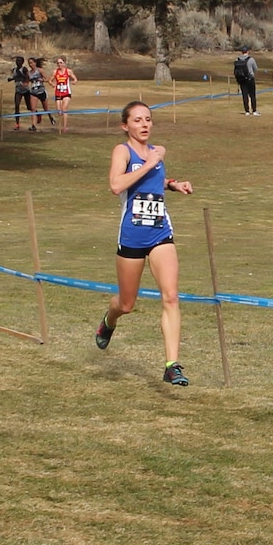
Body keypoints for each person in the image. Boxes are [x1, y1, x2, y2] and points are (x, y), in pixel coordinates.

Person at [95, 101, 194, 386]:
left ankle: (172, 365)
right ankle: (109, 320)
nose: (145, 125)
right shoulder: (122, 151)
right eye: (137, 120)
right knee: (127, 304)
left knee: (171, 296)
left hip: (160, 233)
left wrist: (173, 183)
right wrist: (150, 163)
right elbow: (116, 185)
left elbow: (154, 180)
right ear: (125, 126)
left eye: (148, 119)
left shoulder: (155, 153)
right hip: (132, 236)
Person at [48, 56, 78, 132]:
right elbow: (50, 80)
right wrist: (52, 84)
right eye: (58, 63)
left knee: (64, 109)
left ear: (64, 63)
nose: (59, 64)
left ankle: (64, 127)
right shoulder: (55, 72)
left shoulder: (68, 71)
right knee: (59, 111)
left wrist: (74, 82)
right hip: (58, 93)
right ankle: (61, 125)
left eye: (61, 63)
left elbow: (75, 79)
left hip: (66, 93)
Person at [27, 57, 55, 129]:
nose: (30, 64)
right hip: (33, 92)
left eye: (31, 63)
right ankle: (34, 125)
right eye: (29, 63)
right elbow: (28, 81)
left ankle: (51, 118)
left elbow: (47, 79)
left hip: (41, 91)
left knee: (46, 109)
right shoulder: (29, 73)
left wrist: (41, 79)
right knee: (33, 108)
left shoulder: (40, 70)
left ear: (35, 63)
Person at [7, 56, 31, 131]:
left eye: (19, 61)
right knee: (17, 106)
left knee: (29, 107)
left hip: (26, 90)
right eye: (17, 61)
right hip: (18, 90)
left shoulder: (24, 69)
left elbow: (28, 77)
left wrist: (26, 82)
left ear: (22, 62)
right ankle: (17, 124)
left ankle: (37, 114)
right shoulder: (14, 70)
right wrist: (10, 79)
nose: (18, 62)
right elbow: (14, 77)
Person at [234, 47, 259, 116]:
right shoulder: (251, 59)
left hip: (241, 80)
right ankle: (254, 110)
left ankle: (247, 111)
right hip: (250, 79)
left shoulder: (237, 59)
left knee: (244, 95)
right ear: (247, 51)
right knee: (252, 95)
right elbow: (255, 68)